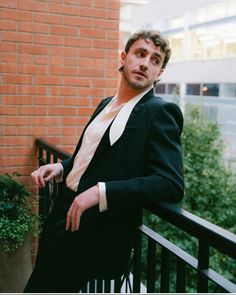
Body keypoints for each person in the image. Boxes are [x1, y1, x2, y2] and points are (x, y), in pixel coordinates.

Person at [24, 30, 184, 293]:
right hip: (61, 213)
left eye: (155, 60)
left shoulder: (160, 112)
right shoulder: (105, 104)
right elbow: (95, 155)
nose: (146, 63)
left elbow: (170, 184)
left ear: (160, 73)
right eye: (140, 54)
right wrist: (63, 167)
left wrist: (102, 192)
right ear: (124, 57)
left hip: (91, 232)